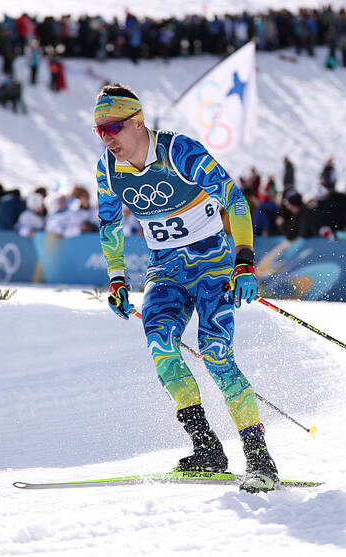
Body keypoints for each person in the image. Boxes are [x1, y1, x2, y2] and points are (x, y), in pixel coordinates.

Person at [94, 83, 278, 493]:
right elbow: (109, 225)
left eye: (114, 128)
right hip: (166, 270)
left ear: (138, 120)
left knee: (215, 353)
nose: (108, 138)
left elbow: (235, 201)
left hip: (213, 266)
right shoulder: (108, 168)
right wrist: (118, 278)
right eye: (100, 131)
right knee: (161, 348)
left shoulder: (179, 151)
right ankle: (207, 448)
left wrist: (244, 262)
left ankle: (259, 458)